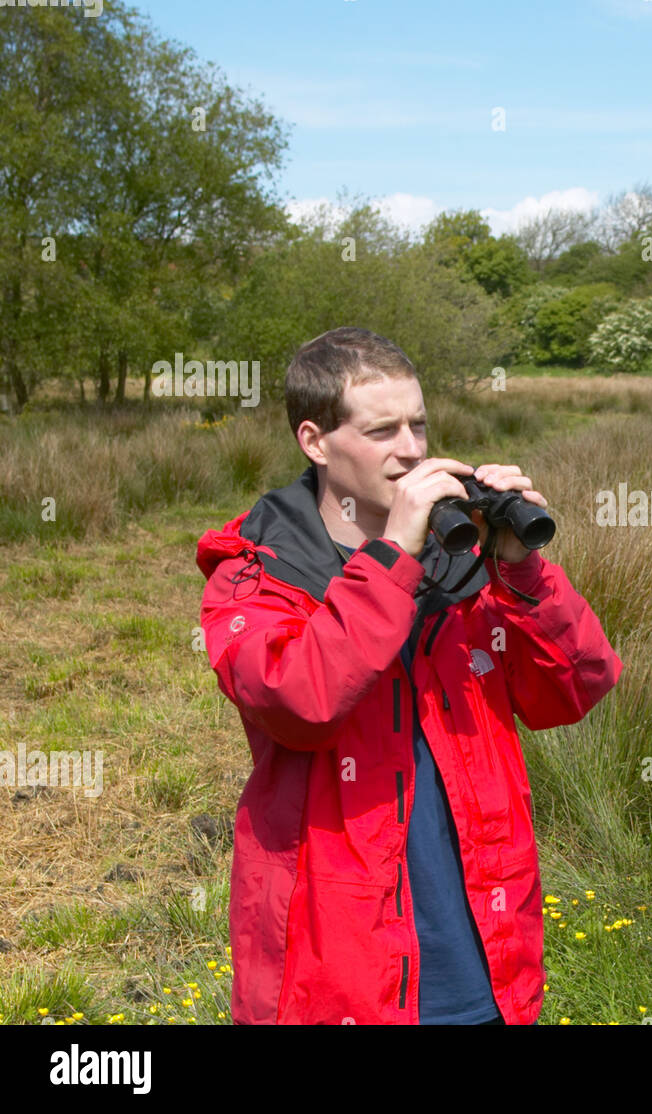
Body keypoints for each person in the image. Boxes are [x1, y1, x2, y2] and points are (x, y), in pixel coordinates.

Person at [195, 327, 622, 1024]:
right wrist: (395, 552)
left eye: (419, 424)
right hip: (334, 969)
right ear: (315, 441)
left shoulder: (468, 565)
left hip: (483, 948)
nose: (413, 449)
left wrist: (519, 568)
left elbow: (577, 688)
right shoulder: (256, 572)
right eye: (383, 429)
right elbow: (301, 702)